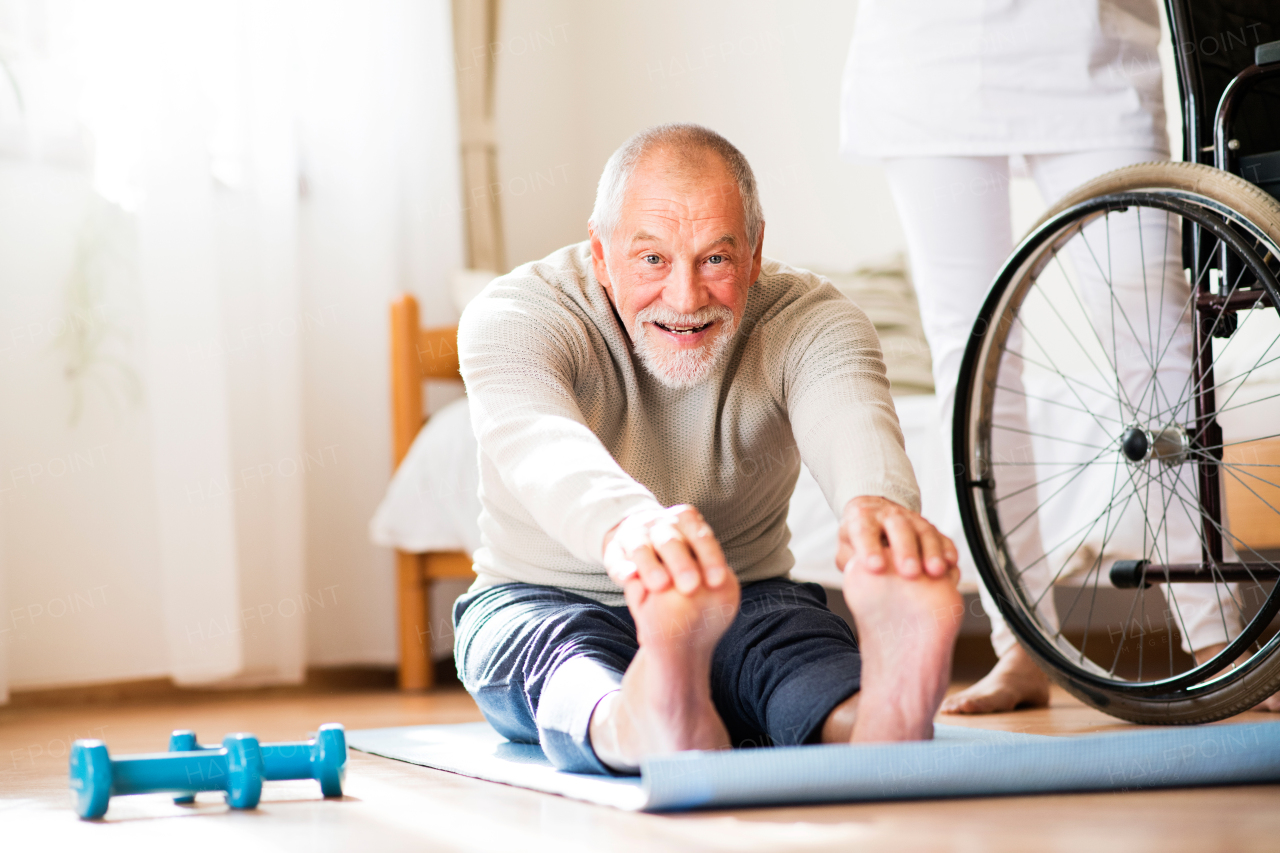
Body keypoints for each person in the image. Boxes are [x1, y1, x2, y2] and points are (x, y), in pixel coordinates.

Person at [453, 123, 963, 774]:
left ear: (754, 253)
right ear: (601, 253)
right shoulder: (514, 313)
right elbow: (539, 444)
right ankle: (639, 718)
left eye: (715, 259)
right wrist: (632, 530)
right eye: (653, 259)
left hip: (746, 595)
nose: (686, 298)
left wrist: (879, 515)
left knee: (792, 650)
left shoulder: (812, 317)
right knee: (561, 661)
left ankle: (879, 719)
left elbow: (851, 413)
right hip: (543, 594)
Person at [840, 0, 1264, 713]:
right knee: (974, 359)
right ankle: (1020, 646)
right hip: (927, 56)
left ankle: (1218, 640)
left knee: (1158, 346)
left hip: (1091, 45)